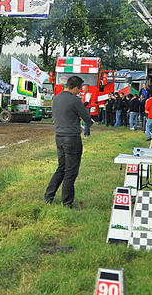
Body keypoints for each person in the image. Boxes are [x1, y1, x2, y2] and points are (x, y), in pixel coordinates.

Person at [44, 76, 92, 209]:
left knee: (61, 168)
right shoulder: (75, 100)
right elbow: (87, 118)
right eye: (80, 89)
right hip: (72, 138)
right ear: (76, 87)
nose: (80, 91)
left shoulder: (56, 98)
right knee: (70, 172)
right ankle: (67, 203)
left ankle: (48, 196)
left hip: (59, 137)